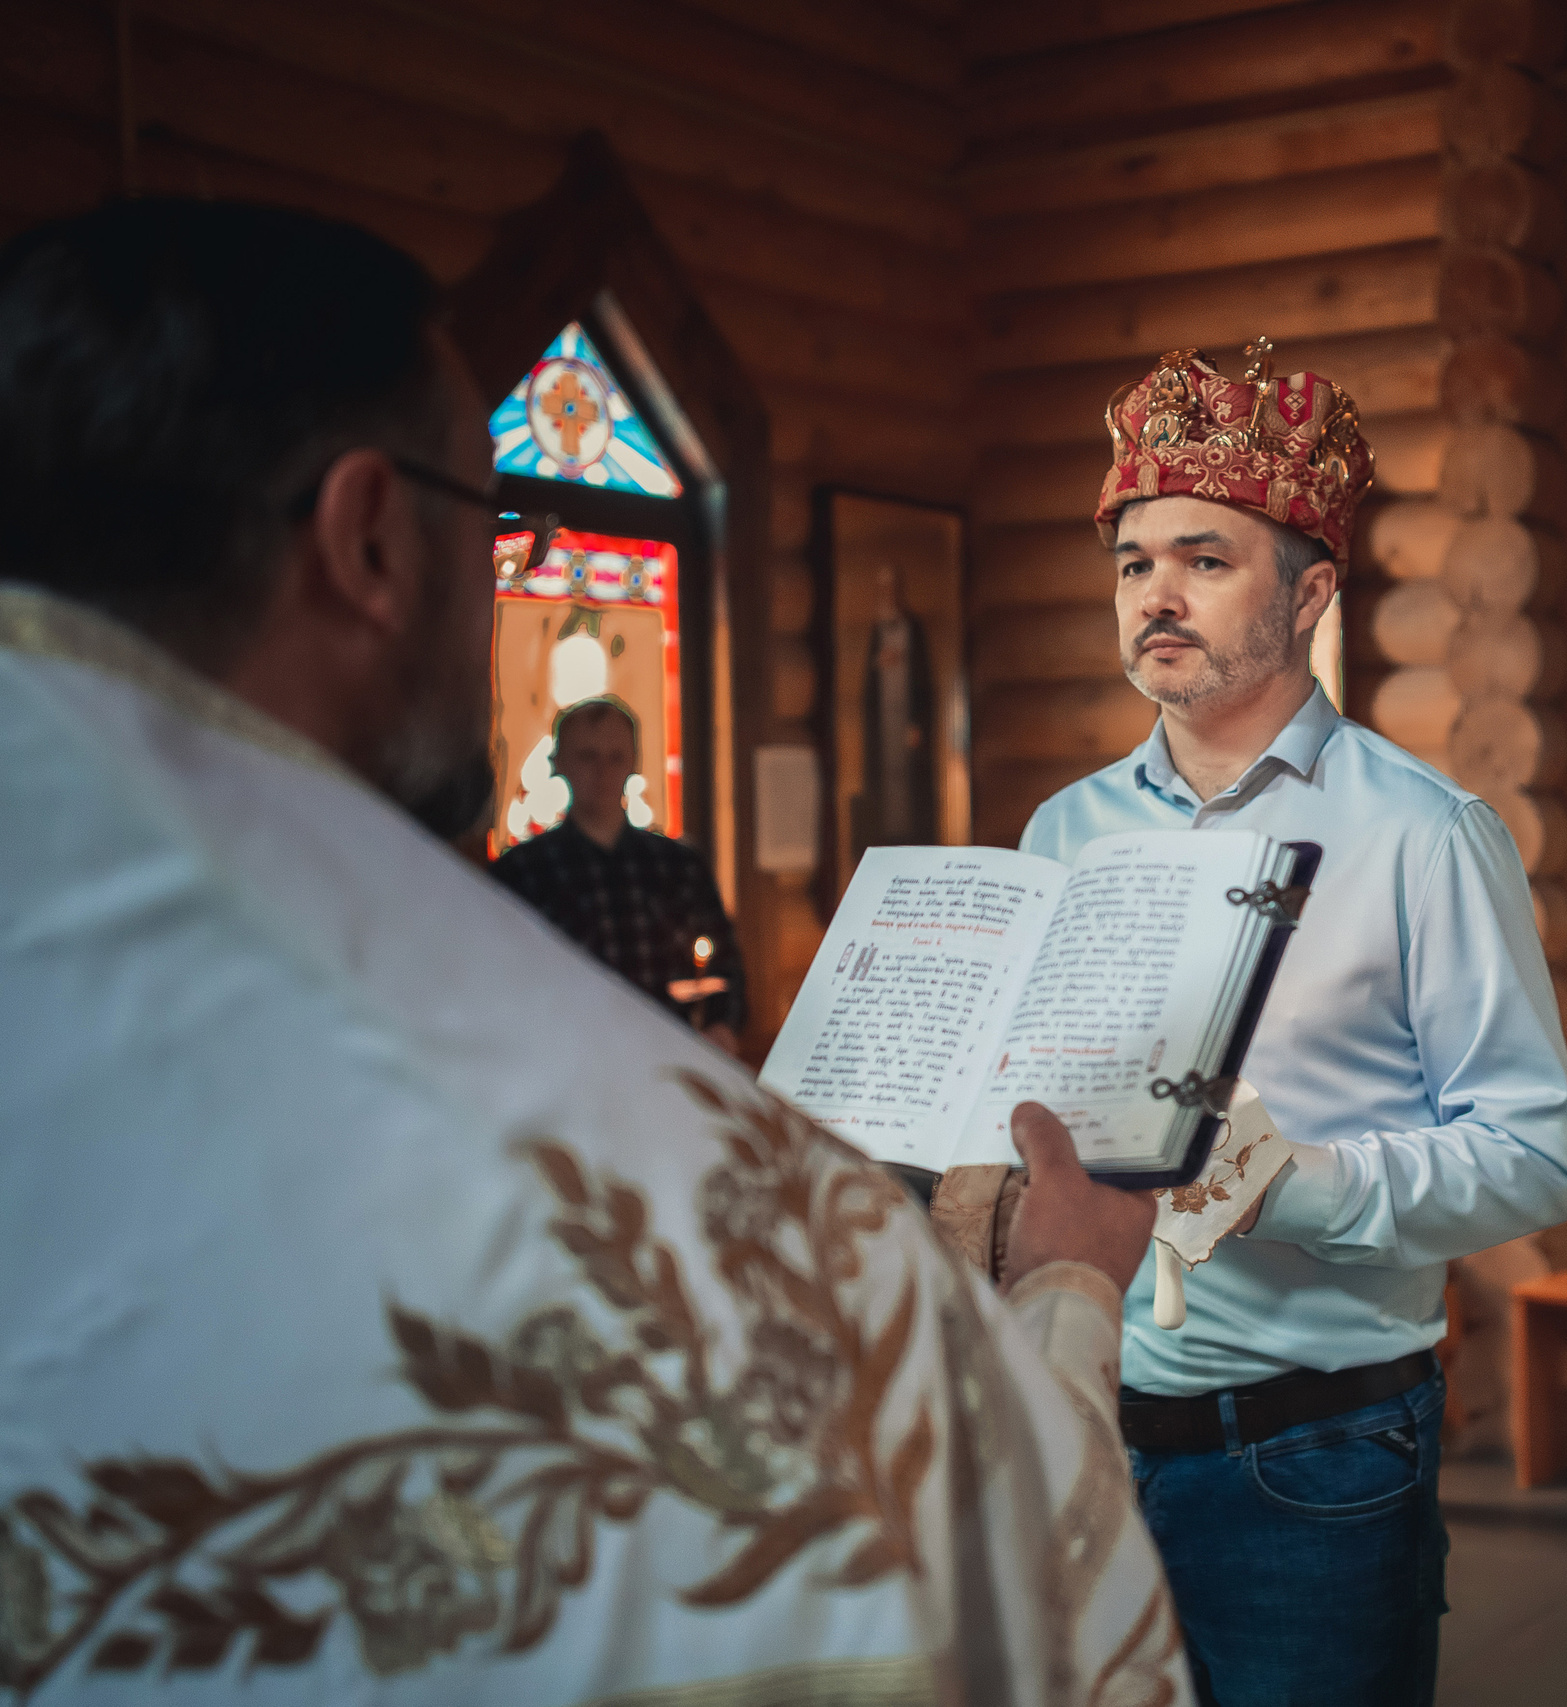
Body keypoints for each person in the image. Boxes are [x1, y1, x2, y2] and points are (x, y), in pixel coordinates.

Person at [0, 199, 1182, 1705]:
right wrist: (1070, 1288)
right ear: (372, 536)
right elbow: (1035, 1607)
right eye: (489, 516)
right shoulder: (730, 1234)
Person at [1023, 340, 1567, 1706]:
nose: (1156, 593)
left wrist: (1306, 1181)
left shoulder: (1423, 833)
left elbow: (1537, 1152)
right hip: (1084, 1423)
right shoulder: (1065, 828)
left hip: (1316, 1451)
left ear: (1312, 588)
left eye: (1205, 559)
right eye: (1134, 561)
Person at [494, 696, 750, 1055]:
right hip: (570, 1062)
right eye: (587, 756)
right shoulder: (524, 871)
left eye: (615, 757)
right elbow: (506, 978)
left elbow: (725, 967)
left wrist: (721, 1027)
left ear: (633, 764)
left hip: (670, 1060)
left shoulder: (678, 867)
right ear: (560, 763)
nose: (602, 772)